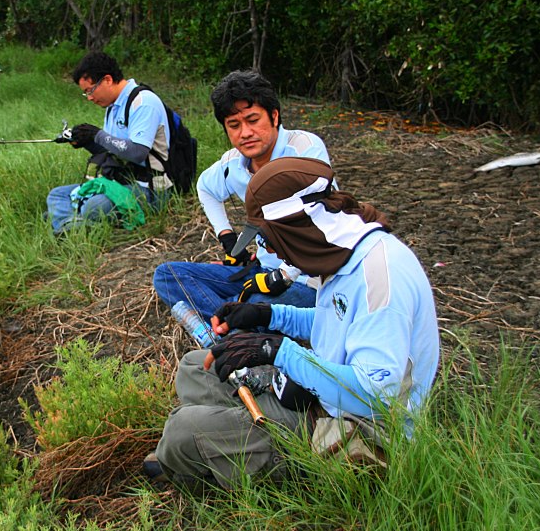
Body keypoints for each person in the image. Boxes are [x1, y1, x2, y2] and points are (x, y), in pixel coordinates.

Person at [144, 157, 439, 491]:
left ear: (297, 226)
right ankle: (219, 445)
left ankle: (207, 457)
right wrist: (268, 317)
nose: (269, 251)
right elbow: (338, 324)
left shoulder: (380, 279)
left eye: (270, 239)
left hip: (356, 429)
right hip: (318, 398)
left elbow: (373, 397)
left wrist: (276, 350)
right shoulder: (346, 254)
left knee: (185, 430)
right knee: (195, 368)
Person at [152, 70, 330, 320]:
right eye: (234, 125)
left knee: (257, 304)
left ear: (274, 116)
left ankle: (226, 321)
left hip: (306, 280)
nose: (245, 132)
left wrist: (285, 274)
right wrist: (227, 237)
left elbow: (320, 222)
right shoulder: (233, 164)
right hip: (258, 271)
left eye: (253, 120)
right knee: (167, 275)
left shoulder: (303, 150)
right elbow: (205, 187)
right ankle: (233, 321)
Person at [46, 52, 171, 234]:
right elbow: (113, 150)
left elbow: (137, 153)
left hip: (149, 188)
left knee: (94, 206)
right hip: (120, 182)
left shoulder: (143, 103)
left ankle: (67, 219)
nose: (89, 97)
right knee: (57, 195)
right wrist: (85, 141)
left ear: (107, 80)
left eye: (90, 90)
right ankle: (71, 225)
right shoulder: (112, 107)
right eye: (85, 93)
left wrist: (97, 135)